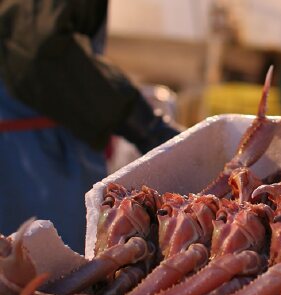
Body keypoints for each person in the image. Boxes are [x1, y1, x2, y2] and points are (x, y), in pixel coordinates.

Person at [0, 0, 180, 253]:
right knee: (54, 272)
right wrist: (138, 119)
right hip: (32, 153)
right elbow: (42, 51)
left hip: (33, 138)